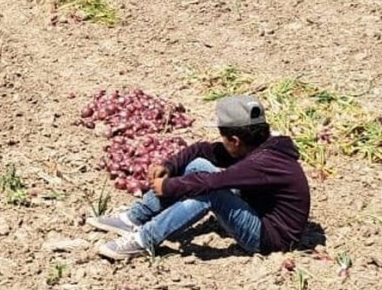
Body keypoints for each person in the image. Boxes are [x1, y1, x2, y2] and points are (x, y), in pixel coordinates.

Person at [91, 95, 311, 260]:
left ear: (235, 140)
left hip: (269, 238)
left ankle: (143, 240)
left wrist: (168, 187)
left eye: (223, 138)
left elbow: (212, 183)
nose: (221, 142)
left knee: (210, 193)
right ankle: (134, 219)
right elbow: (202, 150)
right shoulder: (258, 145)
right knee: (198, 165)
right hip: (256, 209)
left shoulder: (264, 163)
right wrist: (169, 166)